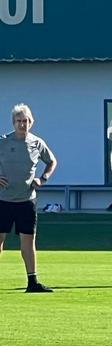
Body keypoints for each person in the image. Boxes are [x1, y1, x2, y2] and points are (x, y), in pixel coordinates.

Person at [0, 103, 57, 293]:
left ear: (31, 122)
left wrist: (43, 178)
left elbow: (51, 161)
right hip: (3, 200)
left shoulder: (36, 143)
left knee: (28, 241)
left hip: (27, 200)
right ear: (13, 122)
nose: (22, 124)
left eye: (25, 121)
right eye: (19, 121)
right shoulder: (3, 142)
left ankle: (32, 281)